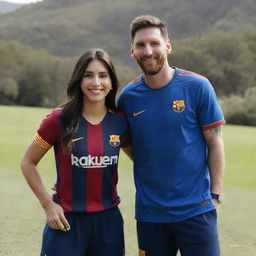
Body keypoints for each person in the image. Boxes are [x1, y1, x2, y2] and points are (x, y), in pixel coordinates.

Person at [117, 15, 225, 256]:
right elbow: (125, 143)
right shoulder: (128, 98)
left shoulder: (198, 86)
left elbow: (215, 142)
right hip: (150, 215)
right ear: (132, 51)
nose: (148, 51)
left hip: (196, 210)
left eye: (154, 43)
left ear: (167, 45)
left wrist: (215, 196)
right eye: (141, 45)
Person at [20, 48, 129, 256]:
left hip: (108, 223)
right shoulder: (58, 120)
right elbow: (27, 163)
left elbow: (141, 162)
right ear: (78, 80)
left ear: (112, 81)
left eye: (103, 75)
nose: (96, 82)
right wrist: (48, 205)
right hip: (66, 221)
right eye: (88, 75)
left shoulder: (120, 123)